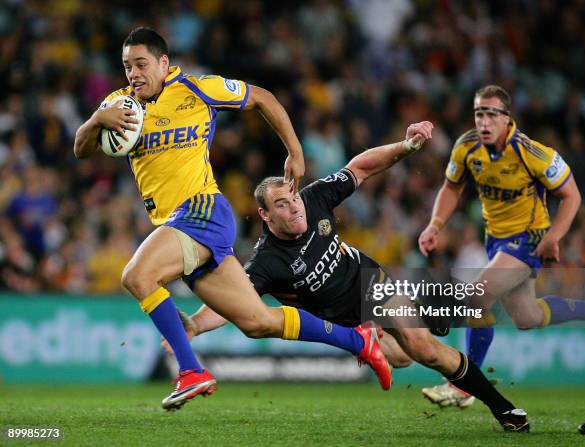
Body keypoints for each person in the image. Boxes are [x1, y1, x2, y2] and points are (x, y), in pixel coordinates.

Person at [73, 27, 391, 411]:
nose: (134, 74)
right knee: (257, 321)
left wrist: (294, 149)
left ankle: (191, 370)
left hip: (203, 210)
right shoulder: (118, 105)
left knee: (137, 276)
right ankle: (359, 342)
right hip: (175, 224)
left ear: (163, 63)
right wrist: (96, 119)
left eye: (141, 64)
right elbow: (81, 149)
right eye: (127, 67)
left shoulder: (197, 89)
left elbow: (263, 98)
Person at [166, 121, 531, 433]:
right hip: (348, 321)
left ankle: (503, 408)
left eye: (292, 198)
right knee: (401, 359)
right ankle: (425, 313)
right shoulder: (267, 263)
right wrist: (195, 325)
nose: (294, 207)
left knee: (422, 348)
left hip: (370, 283)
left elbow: (361, 168)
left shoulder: (313, 198)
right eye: (281, 205)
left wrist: (406, 146)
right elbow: (235, 304)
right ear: (264, 215)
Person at [418, 85, 585, 408]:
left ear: (508, 119)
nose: (484, 121)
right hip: (496, 241)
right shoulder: (466, 147)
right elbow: (451, 188)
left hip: (529, 240)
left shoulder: (532, 152)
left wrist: (554, 237)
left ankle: (465, 385)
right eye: (480, 113)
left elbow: (572, 195)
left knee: (479, 295)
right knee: (527, 316)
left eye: (492, 114)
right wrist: (435, 224)